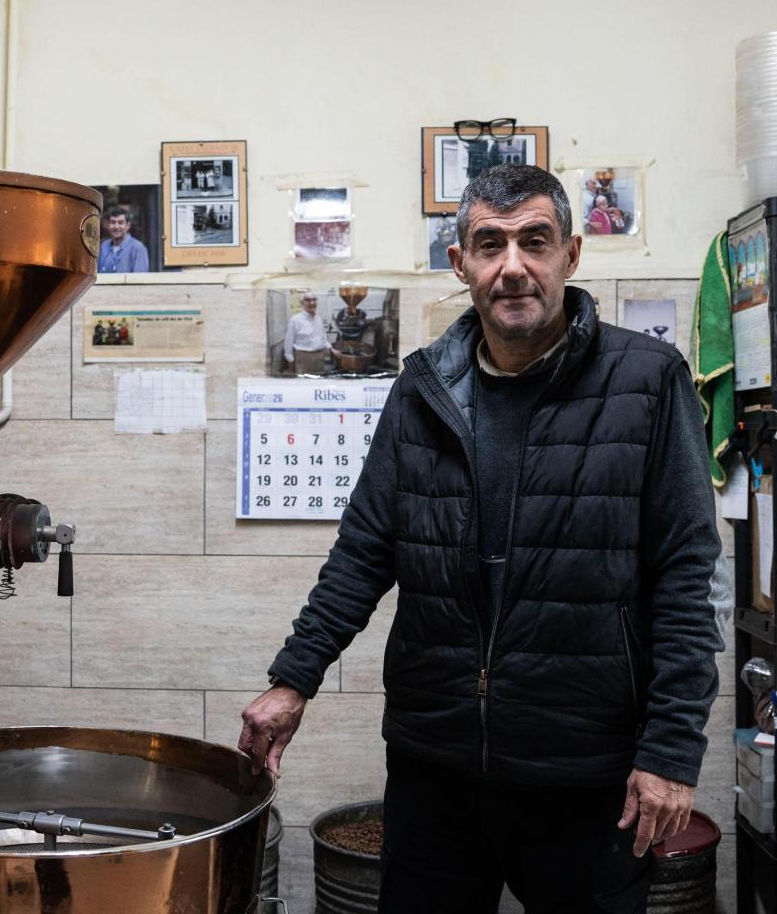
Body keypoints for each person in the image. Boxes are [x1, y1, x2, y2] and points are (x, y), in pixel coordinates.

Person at [240, 164, 721, 914]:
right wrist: (293, 679)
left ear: (570, 255)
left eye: (535, 241)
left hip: (587, 771)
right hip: (438, 766)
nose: (514, 266)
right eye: (489, 244)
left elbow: (688, 578)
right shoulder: (423, 388)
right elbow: (366, 550)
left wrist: (669, 753)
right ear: (460, 263)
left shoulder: (648, 381)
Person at [283, 292, 330, 376]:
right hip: (304, 357)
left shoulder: (318, 318)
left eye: (314, 300)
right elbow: (288, 341)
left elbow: (323, 336)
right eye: (308, 300)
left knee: (319, 380)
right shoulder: (295, 320)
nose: (312, 303)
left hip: (320, 356)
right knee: (305, 384)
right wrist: (291, 360)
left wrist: (330, 348)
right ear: (302, 303)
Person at [97, 206, 151, 274]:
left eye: (120, 222)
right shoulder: (104, 246)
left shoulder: (138, 248)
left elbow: (140, 280)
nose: (116, 227)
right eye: (113, 222)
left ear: (128, 225)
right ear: (108, 225)